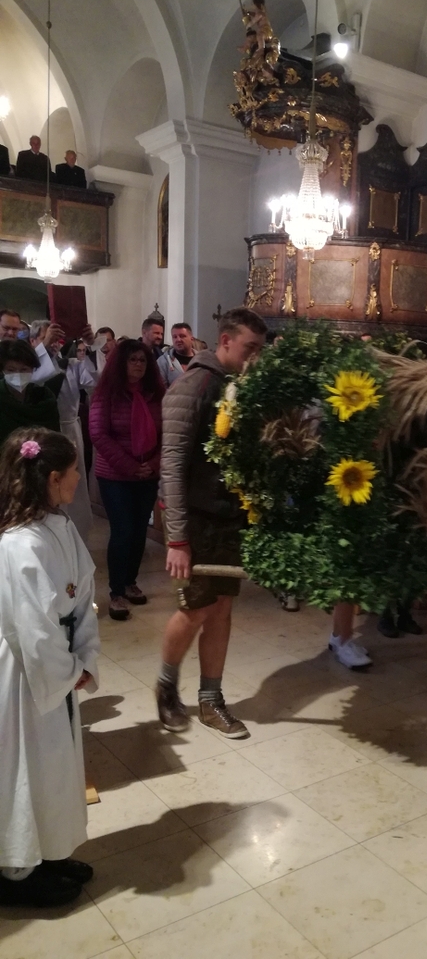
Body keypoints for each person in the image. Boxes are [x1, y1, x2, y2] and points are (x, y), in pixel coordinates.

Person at [0, 428, 100, 907]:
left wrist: (85, 656)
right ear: (53, 477)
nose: (81, 477)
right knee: (28, 765)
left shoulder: (59, 526)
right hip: (26, 672)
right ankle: (16, 869)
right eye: (76, 470)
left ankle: (51, 850)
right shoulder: (19, 544)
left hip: (58, 659)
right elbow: (34, 628)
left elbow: (83, 594)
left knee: (56, 764)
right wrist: (70, 670)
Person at [158, 307, 267, 736]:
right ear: (225, 341)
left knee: (221, 609)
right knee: (194, 610)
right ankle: (167, 689)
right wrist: (177, 540)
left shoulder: (234, 384)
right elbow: (172, 465)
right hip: (197, 521)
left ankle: (210, 700)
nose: (255, 356)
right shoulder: (194, 385)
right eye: (250, 348)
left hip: (227, 517)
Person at [89, 340, 164, 620]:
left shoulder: (155, 393)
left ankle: (131, 581)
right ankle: (116, 592)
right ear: (121, 363)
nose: (138, 365)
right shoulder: (106, 393)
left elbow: (167, 432)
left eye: (142, 360)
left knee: (138, 531)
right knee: (122, 531)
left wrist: (151, 465)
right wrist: (132, 467)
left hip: (147, 473)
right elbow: (99, 435)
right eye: (133, 360)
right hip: (116, 475)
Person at [29, 320, 103, 542]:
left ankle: (75, 537)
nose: (53, 343)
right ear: (33, 341)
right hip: (41, 434)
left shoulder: (70, 364)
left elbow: (96, 380)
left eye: (56, 338)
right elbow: (33, 382)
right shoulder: (27, 366)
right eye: (47, 337)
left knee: (73, 487)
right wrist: (43, 349)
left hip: (69, 431)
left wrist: (92, 345)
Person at [0, 339, 60, 445]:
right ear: (2, 370)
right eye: (11, 370)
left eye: (24, 370)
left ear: (33, 369)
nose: (18, 374)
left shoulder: (45, 397)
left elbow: (54, 438)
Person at [157, 322, 195, 386]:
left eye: (182, 336)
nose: (178, 340)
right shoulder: (163, 362)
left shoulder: (201, 360)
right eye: (175, 337)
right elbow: (161, 388)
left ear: (192, 339)